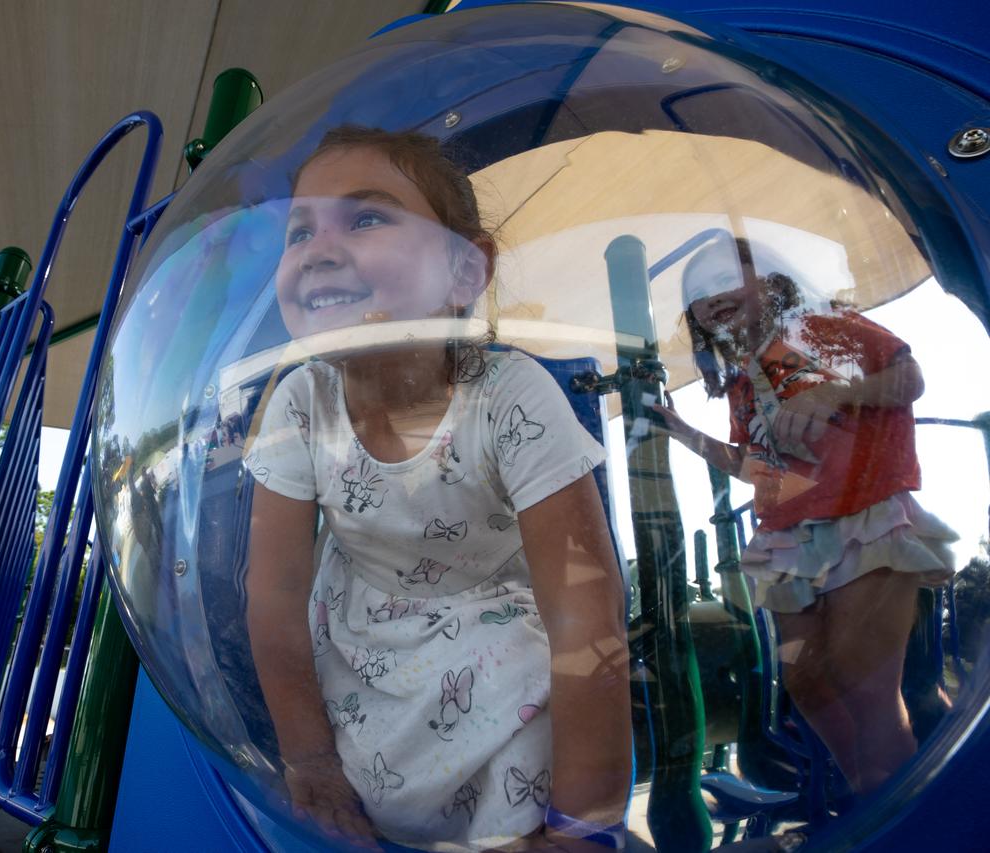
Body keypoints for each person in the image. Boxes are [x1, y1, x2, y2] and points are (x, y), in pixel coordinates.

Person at [243, 127, 632, 851]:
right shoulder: (301, 402)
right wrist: (310, 760)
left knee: (529, 684)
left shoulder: (512, 397)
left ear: (464, 270)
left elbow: (586, 612)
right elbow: (272, 600)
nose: (319, 248)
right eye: (300, 231)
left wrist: (584, 824)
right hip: (357, 640)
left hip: (490, 636)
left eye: (365, 217)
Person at [656, 235, 957, 796]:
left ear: (772, 282)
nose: (710, 295)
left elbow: (910, 378)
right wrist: (684, 433)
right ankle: (869, 785)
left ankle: (897, 796)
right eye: (696, 292)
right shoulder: (744, 382)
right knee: (809, 681)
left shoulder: (823, 327)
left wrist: (837, 395)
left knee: (861, 675)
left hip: (863, 519)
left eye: (724, 278)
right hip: (791, 537)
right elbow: (754, 468)